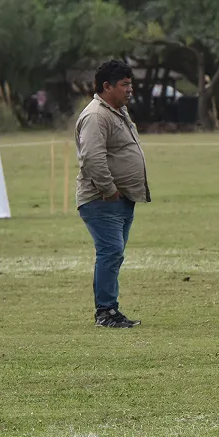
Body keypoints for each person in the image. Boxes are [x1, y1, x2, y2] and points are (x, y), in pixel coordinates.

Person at [76, 59, 151, 328]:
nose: (130, 90)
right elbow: (92, 158)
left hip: (120, 200)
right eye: (124, 85)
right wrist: (109, 190)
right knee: (111, 252)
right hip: (102, 200)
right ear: (107, 86)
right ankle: (106, 312)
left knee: (114, 254)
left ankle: (109, 309)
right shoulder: (96, 115)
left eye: (131, 84)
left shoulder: (117, 111)